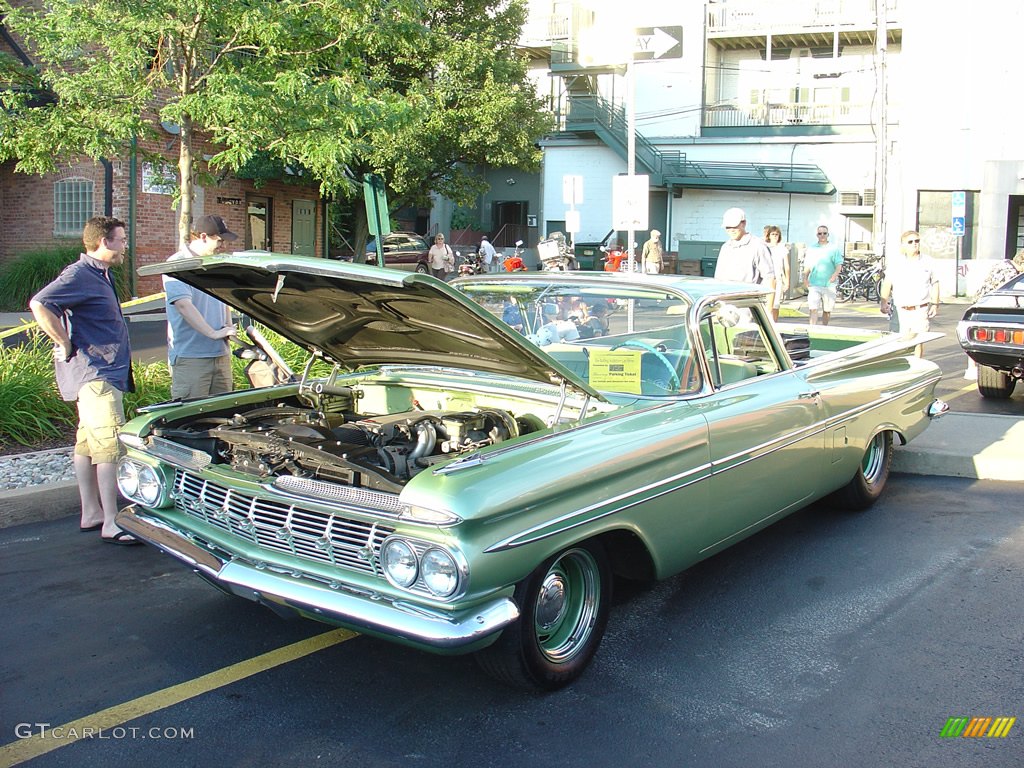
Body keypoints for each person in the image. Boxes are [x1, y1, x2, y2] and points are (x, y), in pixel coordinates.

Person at [29, 216, 140, 545]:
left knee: (86, 444)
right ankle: (111, 521)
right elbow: (40, 303)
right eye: (121, 240)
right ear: (104, 242)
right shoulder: (80, 274)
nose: (124, 246)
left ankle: (90, 512)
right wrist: (63, 342)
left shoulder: (98, 275)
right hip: (96, 376)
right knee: (109, 447)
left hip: (96, 374)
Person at [163, 215, 238, 400]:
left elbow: (223, 300)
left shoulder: (214, 262)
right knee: (192, 419)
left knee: (225, 416)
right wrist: (213, 333)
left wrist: (228, 329)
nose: (223, 246)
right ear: (203, 236)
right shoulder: (178, 264)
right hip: (191, 358)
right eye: (219, 241)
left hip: (221, 356)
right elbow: (183, 305)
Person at [879, 230, 940, 357]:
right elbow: (887, 283)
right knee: (899, 340)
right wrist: (883, 302)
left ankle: (916, 365)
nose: (914, 244)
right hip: (900, 309)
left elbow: (935, 283)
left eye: (917, 241)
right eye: (910, 242)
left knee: (918, 340)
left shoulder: (928, 261)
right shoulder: (896, 263)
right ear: (903, 245)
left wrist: (935, 304)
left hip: (920, 308)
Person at [715, 208, 775, 292]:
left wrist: (769, 305)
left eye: (735, 226)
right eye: (728, 227)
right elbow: (718, 279)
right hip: (725, 300)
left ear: (744, 224)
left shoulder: (757, 246)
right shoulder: (725, 247)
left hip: (748, 300)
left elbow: (770, 278)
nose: (731, 230)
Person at [803, 225, 844, 325]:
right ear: (817, 235)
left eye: (824, 233)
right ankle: (812, 329)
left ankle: (824, 328)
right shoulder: (812, 248)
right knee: (813, 308)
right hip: (814, 283)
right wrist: (805, 278)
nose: (822, 235)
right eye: (820, 233)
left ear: (828, 234)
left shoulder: (833, 248)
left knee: (827, 310)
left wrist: (834, 275)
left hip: (829, 285)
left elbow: (839, 265)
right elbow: (808, 265)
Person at [763, 225, 790, 322]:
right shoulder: (764, 247)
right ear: (769, 235)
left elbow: (786, 266)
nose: (774, 236)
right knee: (766, 304)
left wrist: (787, 281)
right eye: (772, 234)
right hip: (766, 280)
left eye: (776, 234)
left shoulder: (782, 248)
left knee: (776, 304)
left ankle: (775, 324)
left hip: (778, 279)